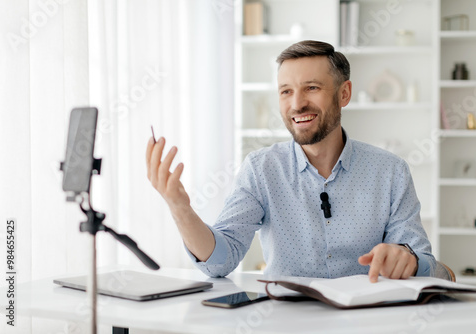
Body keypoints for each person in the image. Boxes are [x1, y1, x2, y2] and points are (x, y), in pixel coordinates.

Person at [146, 40, 436, 282]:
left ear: (344, 93)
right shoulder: (261, 170)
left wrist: (408, 259)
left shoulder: (390, 172)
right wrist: (180, 208)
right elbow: (220, 261)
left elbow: (428, 266)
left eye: (311, 88)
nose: (296, 104)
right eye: (286, 91)